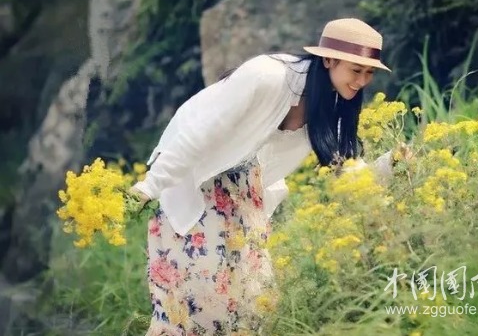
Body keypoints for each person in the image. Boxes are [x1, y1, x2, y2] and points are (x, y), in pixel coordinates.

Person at [131, 18, 405, 336]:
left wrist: (392, 165)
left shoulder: (333, 104)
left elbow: (346, 171)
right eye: (356, 70)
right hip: (194, 174)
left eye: (369, 72)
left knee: (254, 299)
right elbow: (200, 134)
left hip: (244, 189)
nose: (362, 81)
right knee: (195, 300)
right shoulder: (267, 75)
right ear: (328, 59)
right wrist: (148, 187)